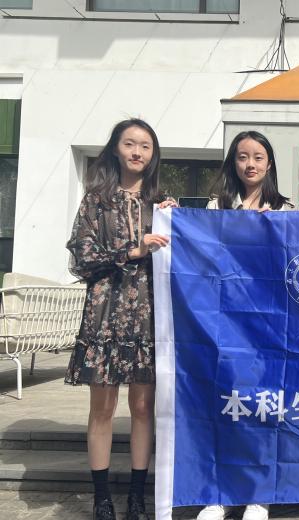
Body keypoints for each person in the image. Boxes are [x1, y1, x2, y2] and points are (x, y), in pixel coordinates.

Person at [65, 118, 175, 520]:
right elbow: (83, 258)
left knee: (143, 408)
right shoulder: (96, 200)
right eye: (130, 144)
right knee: (103, 408)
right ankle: (102, 498)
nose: (137, 152)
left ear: (153, 154)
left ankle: (137, 496)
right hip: (106, 313)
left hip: (149, 315)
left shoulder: (162, 203)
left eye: (145, 146)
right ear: (115, 148)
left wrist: (177, 224)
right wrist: (133, 249)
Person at [197, 130, 293, 520]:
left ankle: (258, 495)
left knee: (263, 407)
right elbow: (199, 257)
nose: (250, 164)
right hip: (223, 322)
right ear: (232, 162)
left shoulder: (284, 210)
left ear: (269, 164)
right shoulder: (215, 207)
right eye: (242, 156)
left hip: (267, 324)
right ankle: (220, 494)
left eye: (257, 157)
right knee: (224, 405)